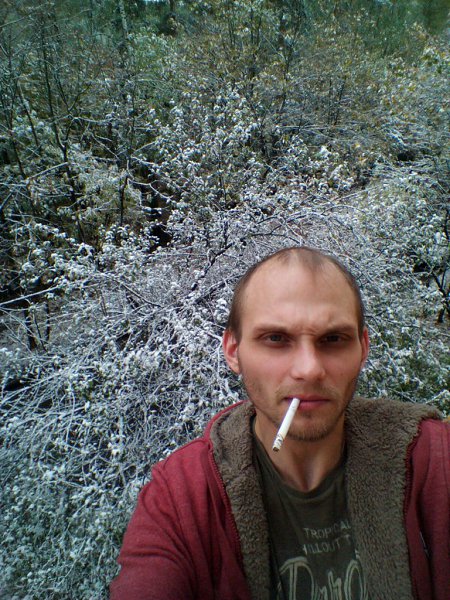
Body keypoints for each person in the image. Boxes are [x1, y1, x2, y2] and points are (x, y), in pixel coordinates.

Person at [110, 247, 449, 600]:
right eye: (275, 339)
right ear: (233, 351)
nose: (309, 369)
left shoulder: (430, 459)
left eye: (333, 339)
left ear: (363, 348)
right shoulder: (183, 498)